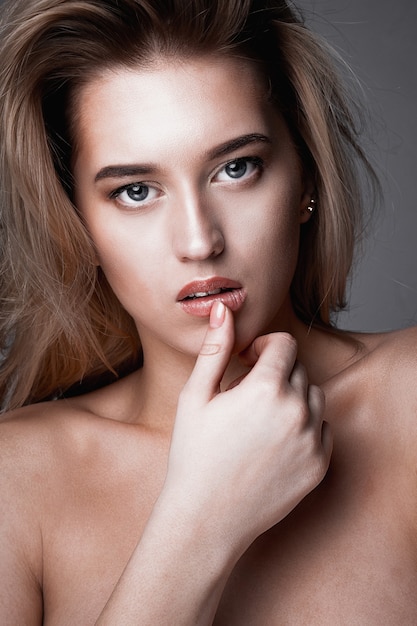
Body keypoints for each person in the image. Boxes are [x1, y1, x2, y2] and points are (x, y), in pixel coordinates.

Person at [0, 0, 416, 623]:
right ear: (78, 224)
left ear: (305, 179)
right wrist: (201, 520)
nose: (199, 241)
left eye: (236, 168)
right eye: (136, 191)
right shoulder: (15, 482)